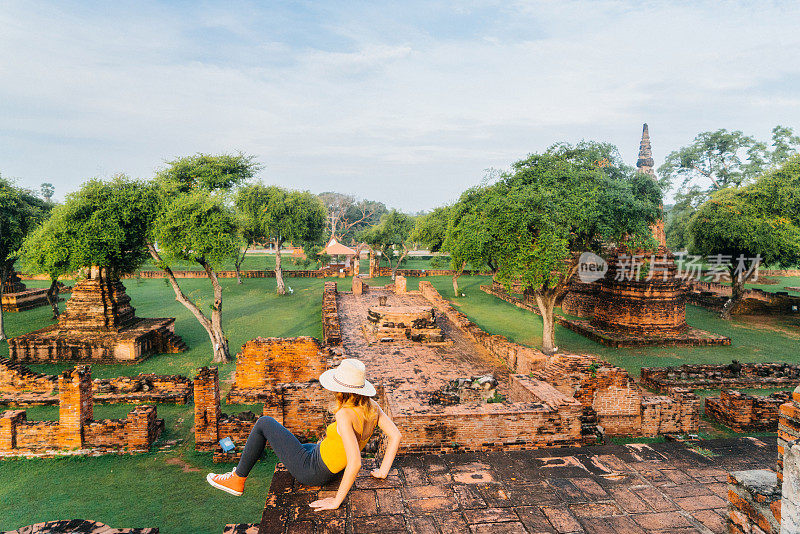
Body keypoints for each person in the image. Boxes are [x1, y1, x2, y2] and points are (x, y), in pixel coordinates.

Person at [206, 358, 402, 511]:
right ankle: (239, 473)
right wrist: (383, 471)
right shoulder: (373, 407)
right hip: (321, 458)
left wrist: (336, 501)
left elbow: (356, 462)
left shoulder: (344, 415)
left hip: (313, 471)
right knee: (298, 443)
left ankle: (237, 479)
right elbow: (396, 436)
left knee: (264, 423)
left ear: (340, 390)